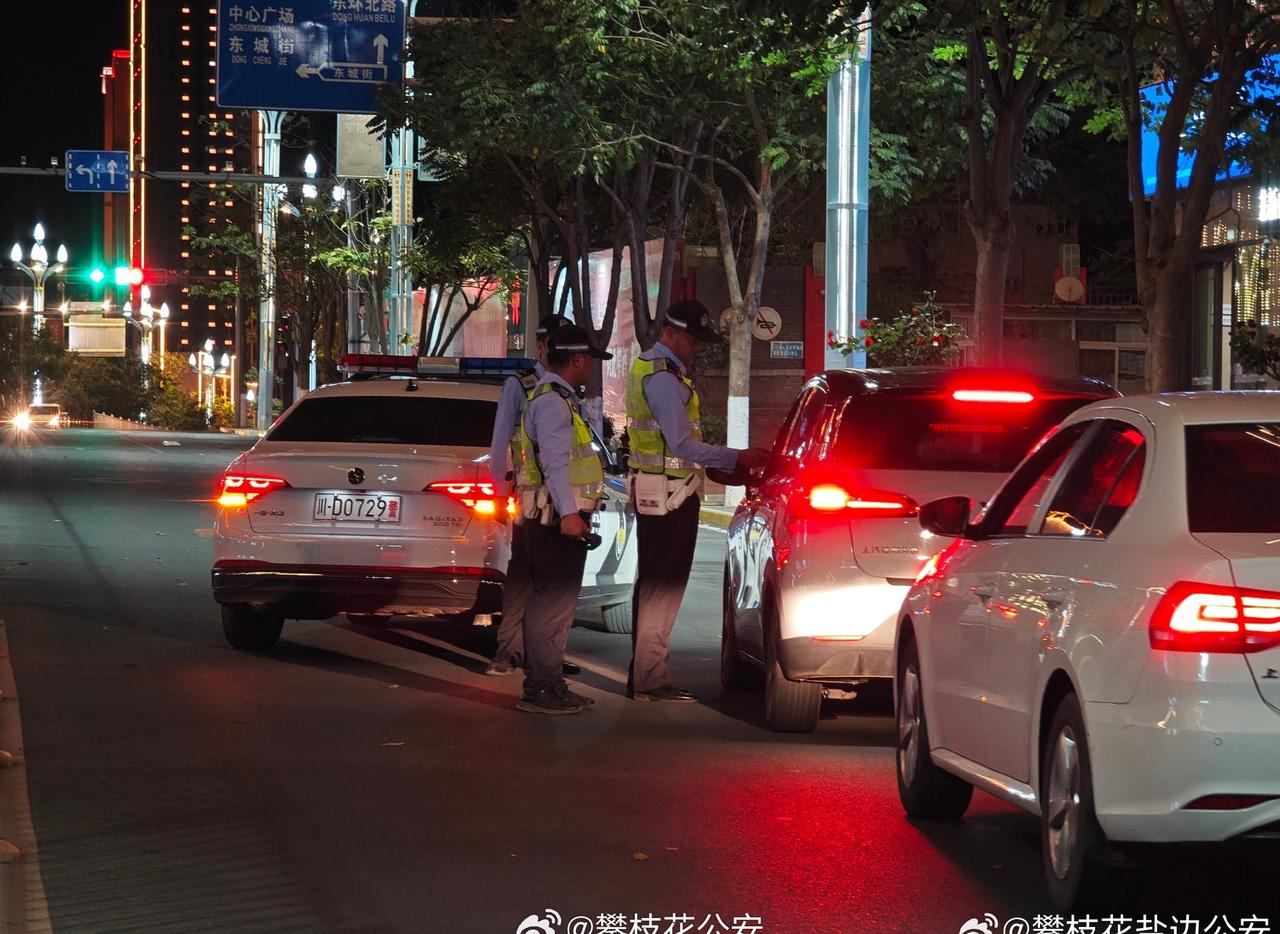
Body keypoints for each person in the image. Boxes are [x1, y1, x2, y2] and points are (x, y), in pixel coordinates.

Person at [626, 299, 770, 702]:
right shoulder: (662, 378)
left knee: (656, 585)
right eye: (692, 340)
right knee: (662, 588)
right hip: (669, 497)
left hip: (664, 493)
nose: (697, 347)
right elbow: (681, 444)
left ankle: (644, 675)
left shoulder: (655, 369)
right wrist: (734, 457)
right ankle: (650, 678)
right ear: (670, 334)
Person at [515, 324, 612, 714]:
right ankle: (541, 687)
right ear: (578, 359)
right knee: (551, 604)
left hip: (554, 515)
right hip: (555, 518)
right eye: (589, 360)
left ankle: (550, 683)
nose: (591, 367)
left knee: (557, 605)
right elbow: (555, 465)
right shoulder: (554, 403)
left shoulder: (556, 399)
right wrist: (570, 515)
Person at [484, 314, 577, 677]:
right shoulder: (520, 385)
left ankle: (547, 654)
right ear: (541, 346)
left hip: (560, 500)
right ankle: (508, 650)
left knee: (554, 584)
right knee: (523, 574)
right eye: (553, 343)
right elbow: (500, 442)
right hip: (528, 498)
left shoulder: (566, 389)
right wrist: (497, 492)